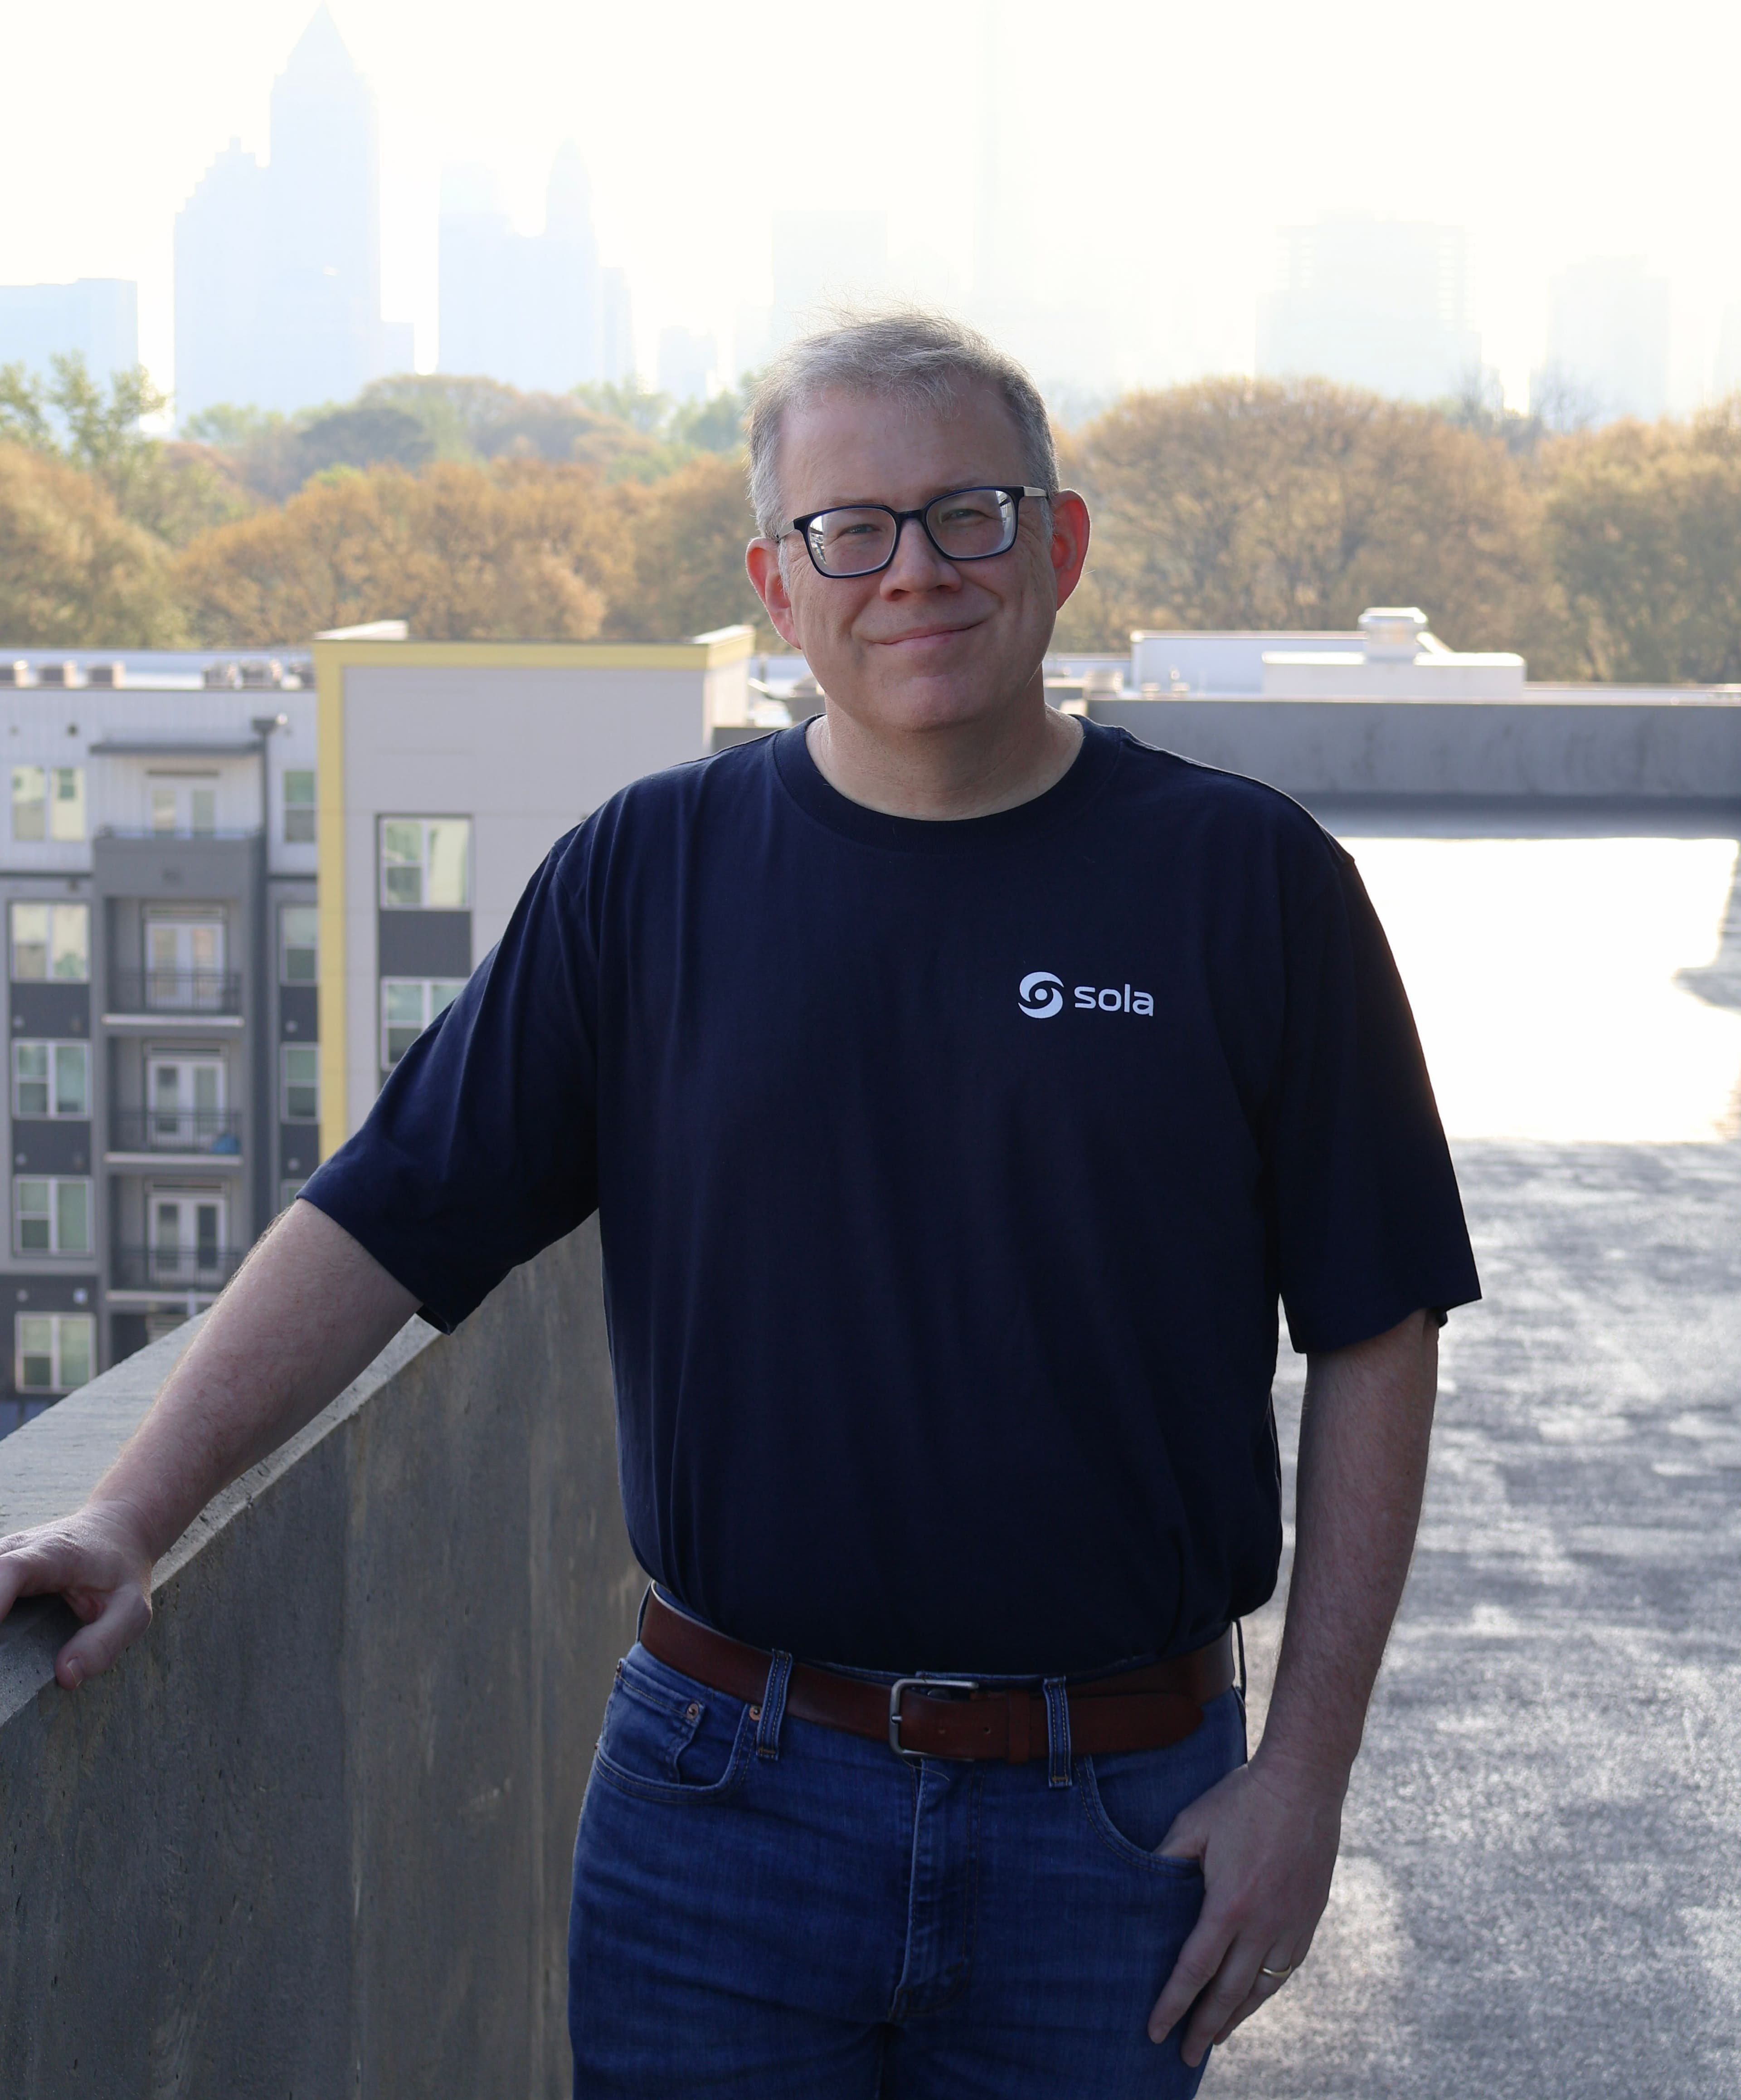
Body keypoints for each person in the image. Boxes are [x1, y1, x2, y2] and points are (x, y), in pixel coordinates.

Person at [0, 311, 1478, 2097]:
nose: (913, 569)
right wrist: (133, 1511)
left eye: (968, 513)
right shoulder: (645, 879)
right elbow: (387, 1217)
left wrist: (1306, 1775)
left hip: (1117, 1828)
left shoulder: (1250, 885)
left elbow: (1379, 1328)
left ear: (1061, 544)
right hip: (722, 1821)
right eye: (849, 529)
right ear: (779, 584)